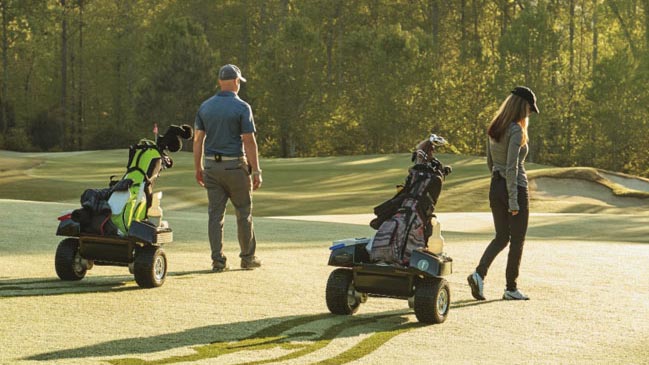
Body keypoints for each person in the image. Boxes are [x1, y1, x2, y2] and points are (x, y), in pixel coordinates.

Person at [467, 86, 539, 301]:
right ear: (521, 105)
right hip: (514, 187)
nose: (529, 113)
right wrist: (514, 200)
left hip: (495, 186)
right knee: (517, 240)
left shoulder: (495, 127)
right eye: (529, 108)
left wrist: (498, 186)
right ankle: (511, 288)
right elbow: (512, 167)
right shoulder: (516, 130)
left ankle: (479, 274)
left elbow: (491, 162)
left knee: (501, 237)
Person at [193, 64, 263, 272]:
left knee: (215, 215)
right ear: (235, 82)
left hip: (211, 168)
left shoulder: (205, 107)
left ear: (220, 82)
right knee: (243, 212)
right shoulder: (242, 107)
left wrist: (197, 168)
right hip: (235, 167)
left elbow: (198, 140)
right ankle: (247, 258)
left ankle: (218, 261)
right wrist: (256, 170)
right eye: (239, 82)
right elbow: (249, 141)